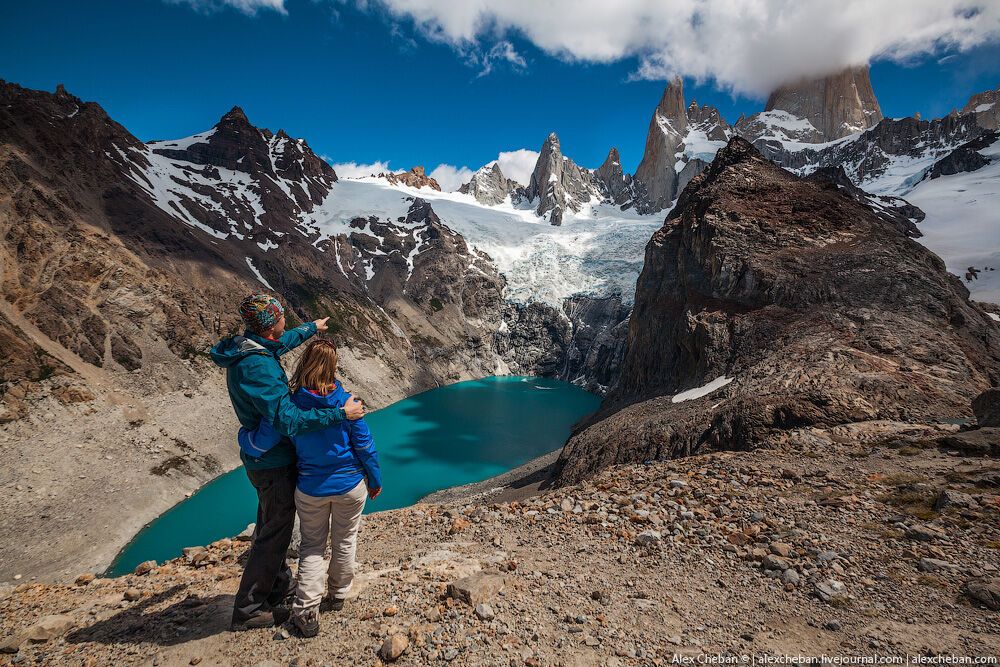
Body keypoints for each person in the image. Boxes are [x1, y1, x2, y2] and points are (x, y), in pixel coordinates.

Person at [210, 293, 364, 631]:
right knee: (274, 534)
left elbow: (282, 342)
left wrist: (311, 328)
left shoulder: (250, 346)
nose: (286, 321)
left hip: (265, 459)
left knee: (271, 525)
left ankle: (276, 588)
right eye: (282, 317)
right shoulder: (258, 366)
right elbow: (288, 419)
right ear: (270, 327)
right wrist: (341, 412)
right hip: (273, 463)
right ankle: (249, 609)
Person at [282, 338, 382, 638]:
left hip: (311, 488)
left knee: (312, 547)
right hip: (350, 486)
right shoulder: (347, 402)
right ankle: (338, 594)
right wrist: (375, 479)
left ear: (305, 364)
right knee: (345, 540)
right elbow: (364, 446)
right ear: (333, 365)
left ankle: (306, 611)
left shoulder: (292, 405)